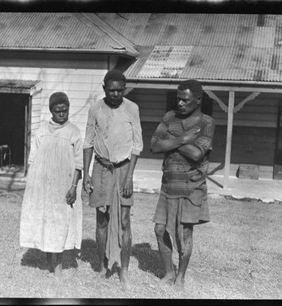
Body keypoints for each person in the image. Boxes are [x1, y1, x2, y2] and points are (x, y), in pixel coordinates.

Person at [150, 79, 215, 291]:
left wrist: (172, 140)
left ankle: (181, 277)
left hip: (191, 186)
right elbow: (154, 145)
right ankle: (169, 272)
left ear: (198, 100)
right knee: (160, 229)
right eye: (178, 99)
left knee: (184, 234)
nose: (180, 104)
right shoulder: (169, 117)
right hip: (168, 185)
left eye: (185, 100)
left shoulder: (207, 123)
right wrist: (184, 139)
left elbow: (197, 154)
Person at [82, 69, 143, 290]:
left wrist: (128, 178)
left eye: (120, 90)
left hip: (124, 170)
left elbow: (137, 146)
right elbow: (88, 141)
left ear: (124, 90)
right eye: (111, 90)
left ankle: (124, 271)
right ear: (104, 89)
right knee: (102, 220)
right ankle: (102, 267)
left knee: (125, 221)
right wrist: (87, 174)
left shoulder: (132, 108)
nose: (116, 94)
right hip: (101, 168)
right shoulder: (95, 108)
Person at [20, 92, 83, 278]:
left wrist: (73, 186)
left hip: (64, 186)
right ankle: (49, 264)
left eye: (65, 110)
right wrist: (33, 186)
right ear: (51, 111)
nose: (62, 114)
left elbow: (79, 163)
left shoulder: (73, 131)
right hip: (43, 186)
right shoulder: (41, 130)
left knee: (61, 225)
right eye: (58, 111)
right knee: (47, 223)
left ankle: (58, 269)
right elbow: (33, 159)